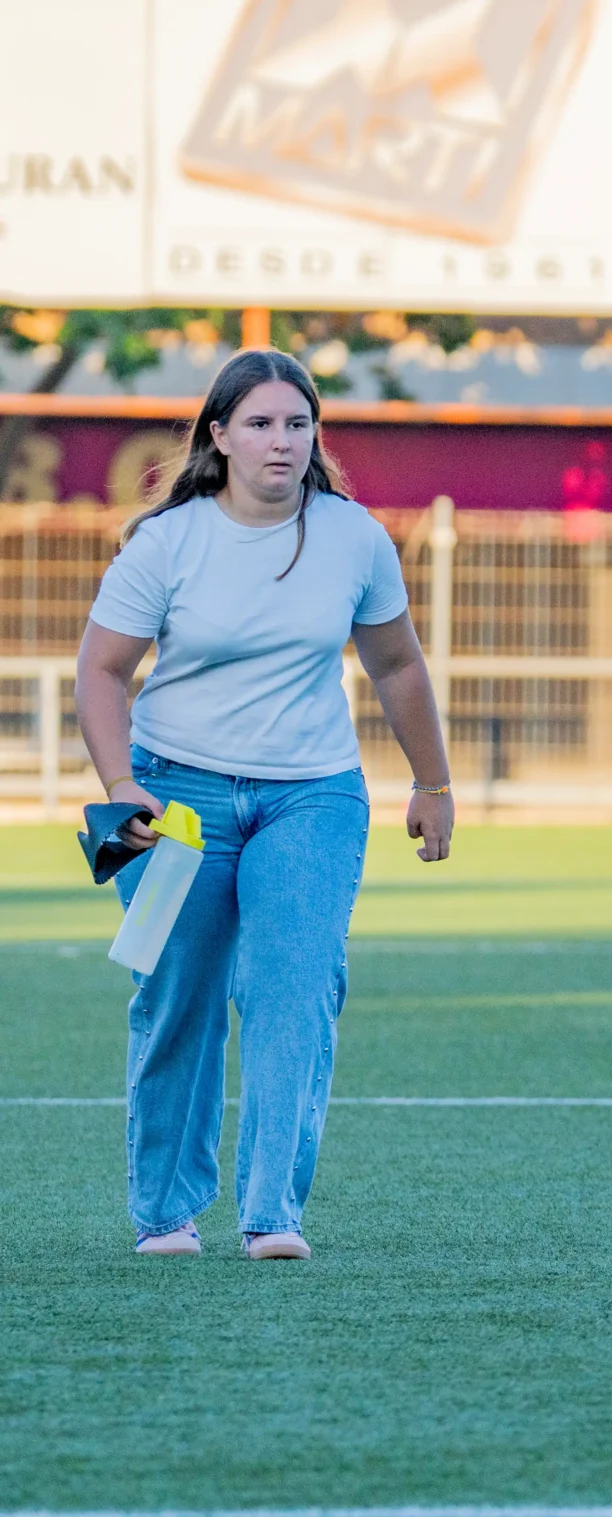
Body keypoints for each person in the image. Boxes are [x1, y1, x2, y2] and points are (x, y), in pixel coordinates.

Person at [75, 347, 454, 1260]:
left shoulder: (354, 537)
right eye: (259, 423)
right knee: (178, 996)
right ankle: (166, 1214)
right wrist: (122, 788)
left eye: (297, 423)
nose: (280, 441)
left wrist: (433, 782)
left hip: (312, 796)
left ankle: (271, 1214)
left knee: (294, 988)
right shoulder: (167, 544)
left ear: (316, 435)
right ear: (220, 435)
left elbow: (397, 664)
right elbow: (102, 670)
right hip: (176, 801)